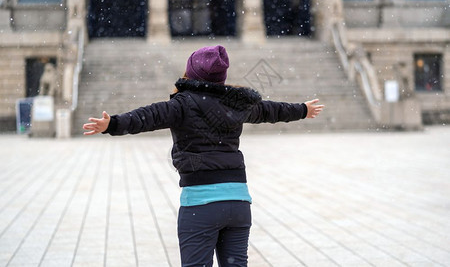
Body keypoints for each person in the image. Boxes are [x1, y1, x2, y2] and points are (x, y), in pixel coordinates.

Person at [83, 45, 324, 267]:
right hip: (238, 203)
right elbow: (271, 110)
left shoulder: (182, 104)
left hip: (201, 205)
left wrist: (112, 124)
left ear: (190, 73)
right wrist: (303, 109)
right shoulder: (236, 104)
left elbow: (148, 116)